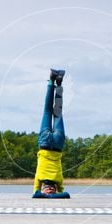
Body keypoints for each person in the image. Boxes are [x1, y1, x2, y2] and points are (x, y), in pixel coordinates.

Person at [33, 68, 70, 198]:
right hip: (52, 143)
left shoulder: (54, 181)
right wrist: (48, 194)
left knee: (52, 112)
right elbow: (65, 194)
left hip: (49, 142)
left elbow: (35, 195)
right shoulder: (43, 181)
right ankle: (55, 81)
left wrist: (48, 194)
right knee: (54, 112)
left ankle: (56, 82)